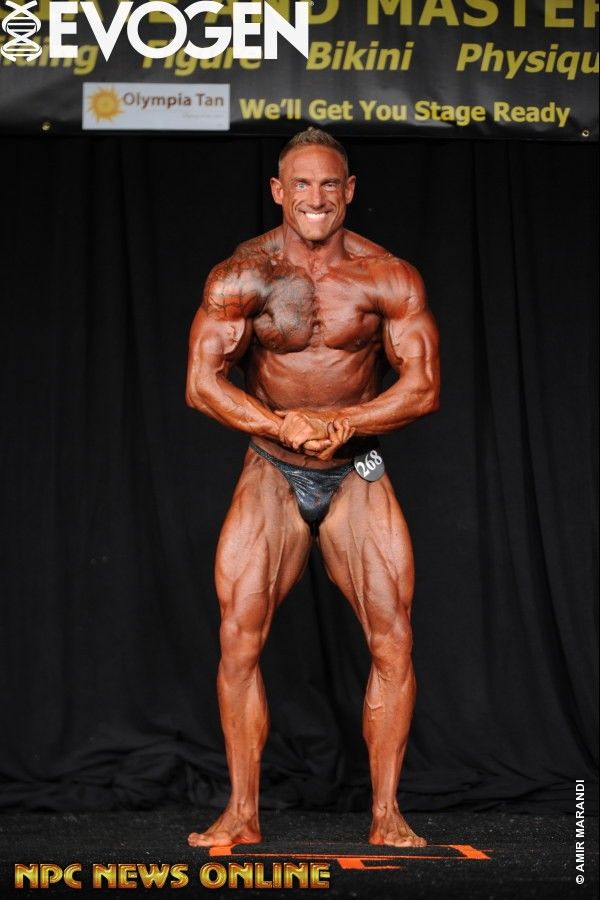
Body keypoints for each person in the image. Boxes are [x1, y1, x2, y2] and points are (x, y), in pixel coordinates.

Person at [185, 128, 440, 848]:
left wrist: (347, 422)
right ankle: (242, 812)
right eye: (302, 184)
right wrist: (281, 426)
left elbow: (423, 386)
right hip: (271, 466)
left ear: (349, 190)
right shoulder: (243, 274)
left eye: (330, 183)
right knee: (239, 639)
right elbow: (202, 384)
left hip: (356, 469)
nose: (316, 197)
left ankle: (387, 815)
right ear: (279, 191)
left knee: (394, 638)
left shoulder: (388, 276)